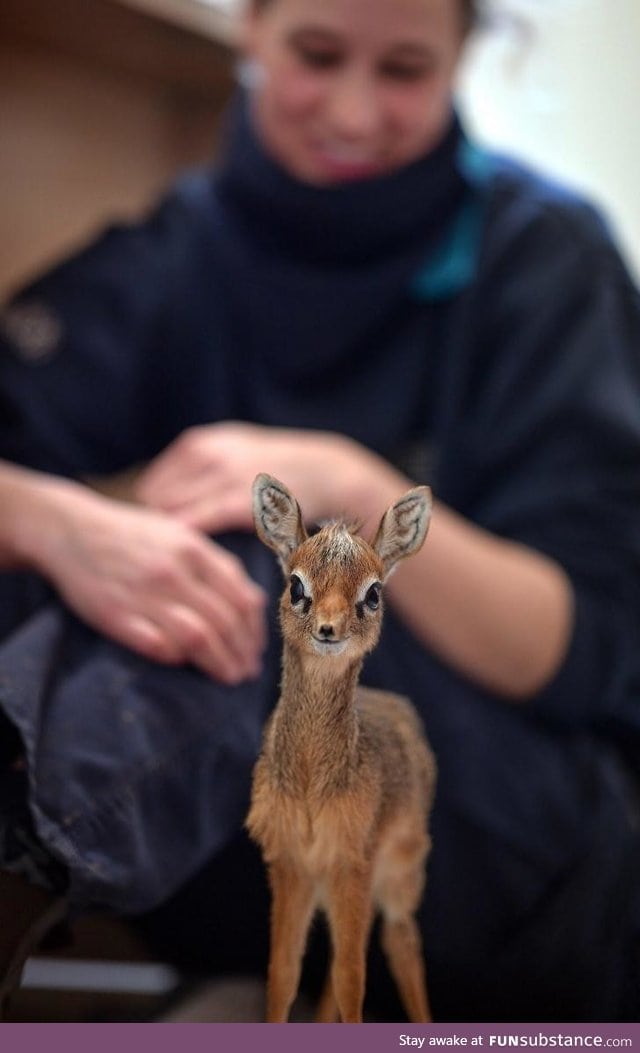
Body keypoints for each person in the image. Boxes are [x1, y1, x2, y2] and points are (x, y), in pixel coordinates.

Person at [0, 0, 639, 1023]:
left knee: (294, 573)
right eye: (316, 55)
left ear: (462, 59)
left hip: (510, 842)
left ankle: (24, 849)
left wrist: (354, 483)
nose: (351, 110)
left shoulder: (545, 259)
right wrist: (54, 522)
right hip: (240, 831)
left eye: (402, 72)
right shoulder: (174, 251)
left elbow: (579, 649)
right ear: (251, 28)